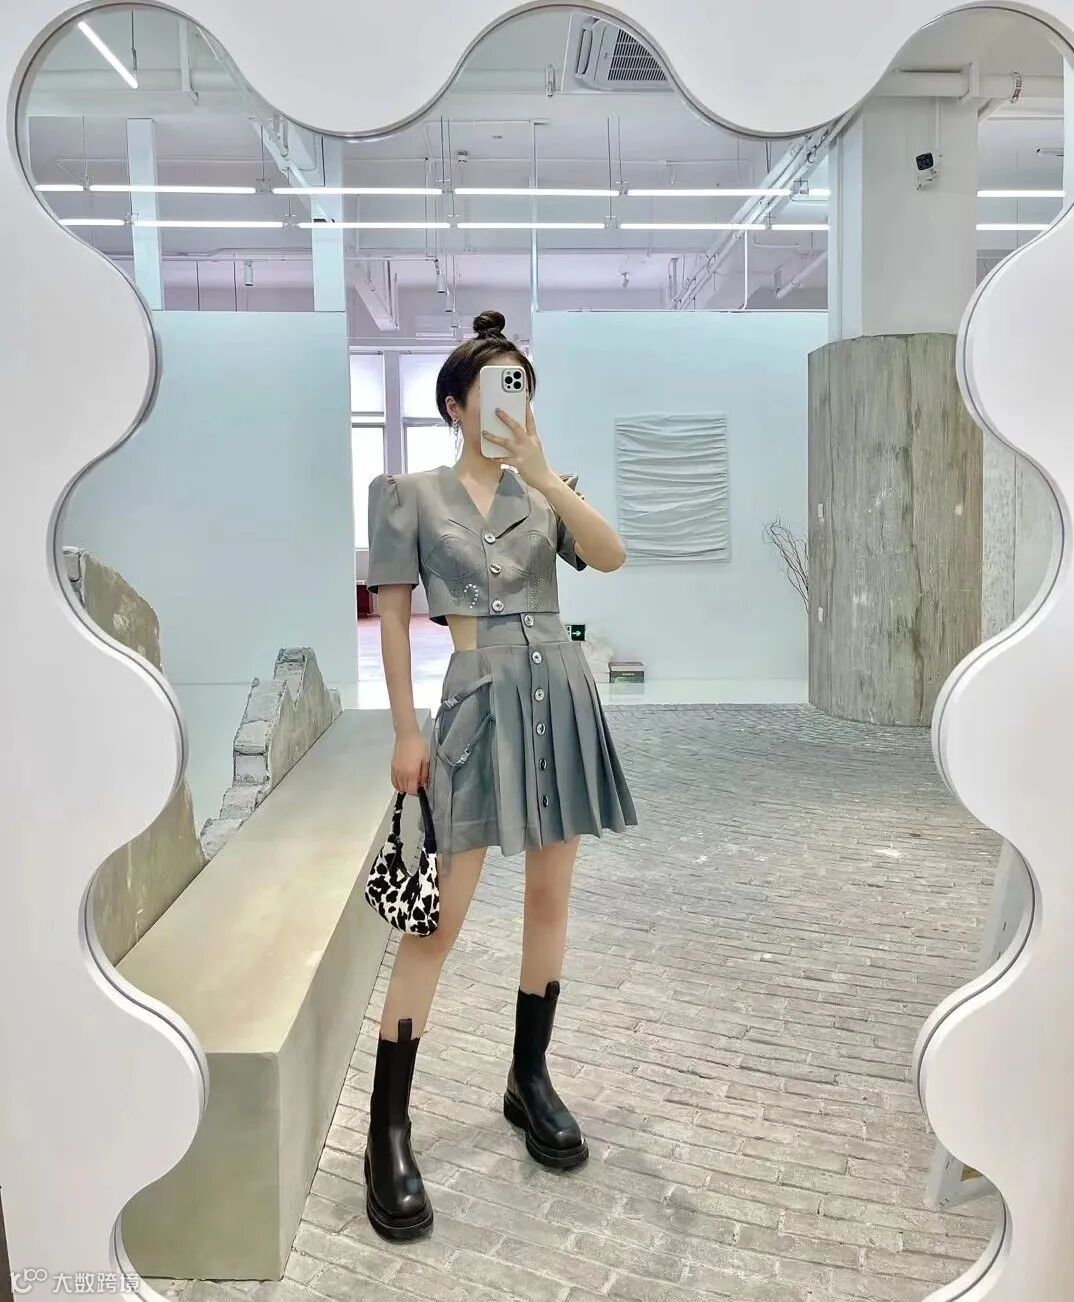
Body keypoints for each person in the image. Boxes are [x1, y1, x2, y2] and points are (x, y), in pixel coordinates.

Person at [362, 309, 638, 1241]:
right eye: (494, 387)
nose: (510, 403)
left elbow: (610, 556)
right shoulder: (409, 496)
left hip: (560, 694)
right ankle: (387, 1132)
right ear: (455, 404)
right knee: (438, 922)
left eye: (522, 386)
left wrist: (548, 477)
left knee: (550, 903)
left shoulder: (543, 492)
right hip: (476, 705)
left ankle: (529, 1078)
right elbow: (392, 621)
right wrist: (407, 731)